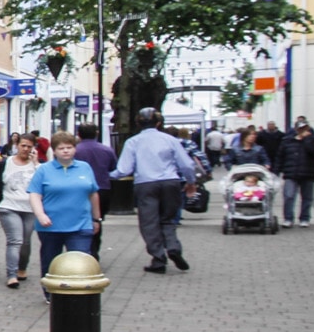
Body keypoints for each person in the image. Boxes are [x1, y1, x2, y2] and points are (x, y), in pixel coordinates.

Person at [114, 107, 200, 274]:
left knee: (149, 222)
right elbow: (187, 164)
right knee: (168, 218)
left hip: (146, 183)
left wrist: (108, 175)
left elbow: (123, 170)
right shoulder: (170, 140)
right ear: (159, 123)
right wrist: (191, 181)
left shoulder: (133, 142)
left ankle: (158, 258)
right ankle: (173, 247)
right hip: (170, 182)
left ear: (138, 123)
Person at [31, 131, 103, 282]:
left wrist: (96, 218)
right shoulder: (44, 170)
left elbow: (93, 194)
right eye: (61, 148)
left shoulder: (85, 168)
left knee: (80, 261)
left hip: (80, 225)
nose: (65, 151)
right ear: (54, 150)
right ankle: (51, 292)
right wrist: (40, 215)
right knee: (51, 261)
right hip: (51, 226)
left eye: (69, 147)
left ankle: (77, 294)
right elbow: (35, 195)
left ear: (75, 149)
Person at [0, 135, 41, 288]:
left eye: (29, 146)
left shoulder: (38, 166)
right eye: (23, 145)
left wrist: (36, 163)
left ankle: (22, 268)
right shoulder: (4, 164)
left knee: (25, 242)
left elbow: (45, 183)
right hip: (9, 207)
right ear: (16, 145)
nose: (26, 149)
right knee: (15, 241)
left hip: (30, 209)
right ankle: (11, 275)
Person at [71, 123, 116, 247]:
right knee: (97, 219)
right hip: (103, 188)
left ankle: (82, 245)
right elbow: (113, 168)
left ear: (79, 134)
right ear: (97, 133)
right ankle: (94, 247)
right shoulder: (107, 150)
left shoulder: (75, 151)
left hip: (79, 189)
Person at [276, 120, 314, 226]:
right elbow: (280, 156)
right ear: (296, 129)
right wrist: (276, 171)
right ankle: (288, 218)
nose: (303, 131)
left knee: (307, 198)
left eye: (305, 128)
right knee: (289, 196)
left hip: (308, 173)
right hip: (291, 172)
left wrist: (307, 139)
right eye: (300, 128)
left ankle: (305, 218)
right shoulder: (287, 141)